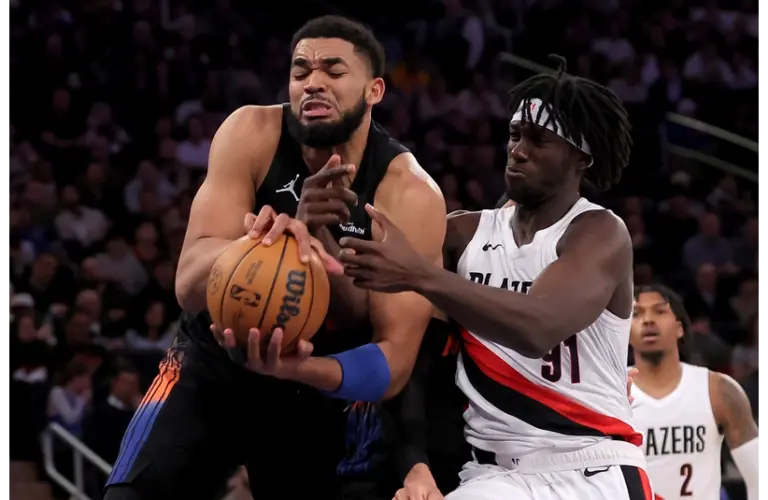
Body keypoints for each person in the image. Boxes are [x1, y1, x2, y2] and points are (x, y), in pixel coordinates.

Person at [104, 16, 446, 500]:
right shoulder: (251, 132)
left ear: (374, 90)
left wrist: (319, 239)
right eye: (301, 70)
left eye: (333, 70)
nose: (314, 82)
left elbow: (391, 362)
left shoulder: (408, 193)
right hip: (213, 360)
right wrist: (269, 242)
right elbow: (188, 283)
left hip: (313, 383)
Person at [337, 56, 651, 500]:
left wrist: (420, 273)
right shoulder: (462, 233)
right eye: (514, 134)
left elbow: (536, 327)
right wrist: (314, 233)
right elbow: (390, 326)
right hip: (492, 474)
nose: (518, 149)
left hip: (590, 464)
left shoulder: (599, 232)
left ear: (580, 158)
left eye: (538, 140)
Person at [630, 285, 760, 500]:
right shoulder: (611, 394)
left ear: (680, 328)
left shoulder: (718, 390)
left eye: (660, 311)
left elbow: (756, 476)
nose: (648, 320)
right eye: (637, 314)